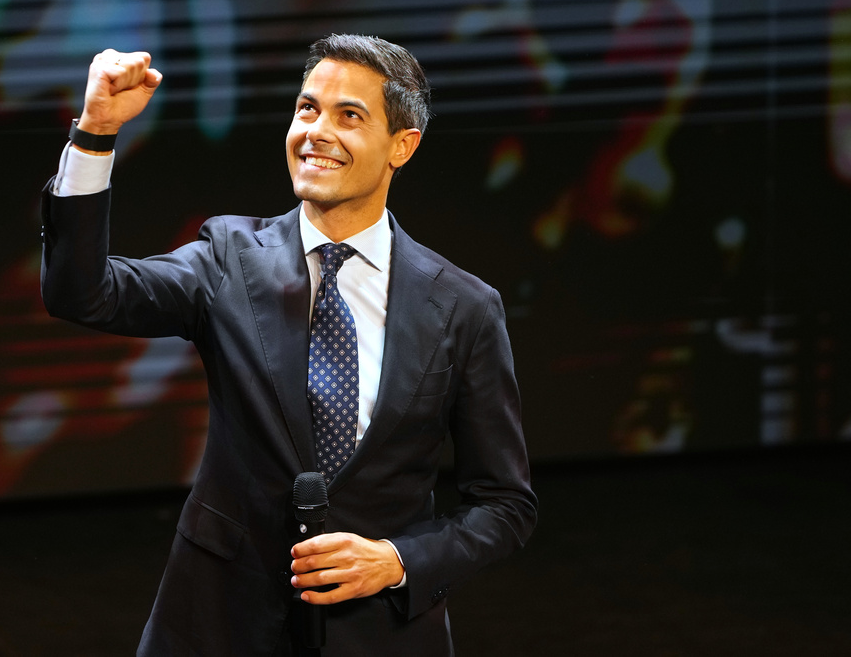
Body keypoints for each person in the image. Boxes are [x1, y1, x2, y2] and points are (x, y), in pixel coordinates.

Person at [41, 34, 538, 656]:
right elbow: (83, 293)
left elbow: (504, 505)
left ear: (401, 147)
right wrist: (95, 134)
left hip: (377, 632)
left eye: (349, 116)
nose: (316, 131)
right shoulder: (228, 259)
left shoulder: (464, 307)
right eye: (308, 109)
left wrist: (396, 560)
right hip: (218, 624)